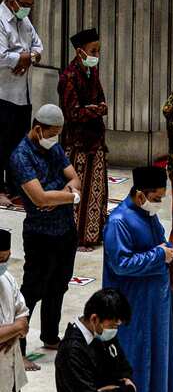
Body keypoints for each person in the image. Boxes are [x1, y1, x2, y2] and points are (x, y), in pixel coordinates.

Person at [102, 164, 173, 392]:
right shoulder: (119, 221)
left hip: (155, 299)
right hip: (133, 301)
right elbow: (121, 264)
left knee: (157, 351)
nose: (159, 204)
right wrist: (159, 255)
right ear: (141, 194)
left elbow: (161, 243)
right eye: (156, 198)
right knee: (134, 354)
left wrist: (165, 251)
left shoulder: (147, 215)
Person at [10, 100, 78, 354]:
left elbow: (74, 177)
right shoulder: (21, 156)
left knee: (58, 285)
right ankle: (20, 345)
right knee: (33, 289)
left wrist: (59, 195)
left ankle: (51, 335)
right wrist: (70, 196)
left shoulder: (54, 148)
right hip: (40, 233)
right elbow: (39, 199)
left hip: (65, 229)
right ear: (38, 129)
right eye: (51, 134)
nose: (55, 139)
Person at [54, 289, 136, 392]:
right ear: (94, 319)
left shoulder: (103, 334)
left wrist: (112, 390)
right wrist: (125, 391)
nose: (114, 330)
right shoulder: (72, 351)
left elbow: (125, 369)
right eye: (112, 325)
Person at [58, 27, 108, 248]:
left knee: (96, 190)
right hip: (77, 143)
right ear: (80, 52)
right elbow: (73, 113)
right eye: (93, 51)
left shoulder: (92, 73)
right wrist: (96, 110)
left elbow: (101, 100)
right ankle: (75, 236)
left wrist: (96, 108)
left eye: (98, 51)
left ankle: (93, 234)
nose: (96, 56)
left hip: (95, 140)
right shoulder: (68, 77)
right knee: (77, 192)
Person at [0, 0, 41, 204]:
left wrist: (27, 58)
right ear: (11, 1)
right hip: (2, 93)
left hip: (22, 94)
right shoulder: (0, 20)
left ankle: (16, 188)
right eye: (24, 3)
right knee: (1, 143)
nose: (27, 8)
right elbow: (1, 56)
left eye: (30, 5)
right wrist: (24, 57)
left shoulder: (24, 20)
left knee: (18, 144)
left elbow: (39, 48)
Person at [0, 229, 24, 392]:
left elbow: (23, 319)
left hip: (11, 376)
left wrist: (10, 334)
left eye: (6, 258)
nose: (3, 264)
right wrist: (15, 329)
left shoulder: (8, 279)